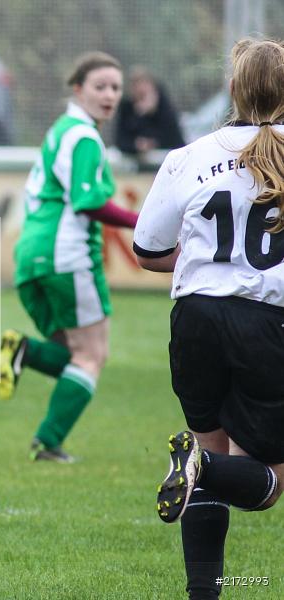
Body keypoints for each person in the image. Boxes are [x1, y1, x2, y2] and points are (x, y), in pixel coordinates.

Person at [133, 38, 284, 599]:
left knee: (211, 450)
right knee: (266, 485)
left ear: (232, 90)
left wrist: (206, 260)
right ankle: (202, 468)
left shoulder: (188, 155)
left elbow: (147, 250)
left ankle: (205, 592)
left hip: (195, 318)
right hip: (268, 324)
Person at [0, 52, 139, 463]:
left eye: (115, 87)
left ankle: (21, 351)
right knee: (93, 356)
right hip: (67, 256)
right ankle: (48, 441)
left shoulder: (60, 130)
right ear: (78, 89)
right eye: (100, 86)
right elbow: (88, 200)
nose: (109, 94)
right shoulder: (86, 137)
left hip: (29, 256)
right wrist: (141, 221)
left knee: (76, 356)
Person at [115, 66, 186, 165]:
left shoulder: (164, 108)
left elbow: (177, 142)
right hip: (134, 157)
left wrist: (153, 112)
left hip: (162, 156)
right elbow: (120, 141)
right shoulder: (127, 107)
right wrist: (140, 116)